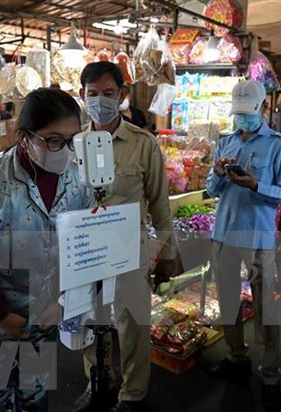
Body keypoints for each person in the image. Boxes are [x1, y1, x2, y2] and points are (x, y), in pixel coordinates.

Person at [0, 88, 94, 411]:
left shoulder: (78, 180)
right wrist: (2, 316)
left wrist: (62, 300)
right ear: (23, 136)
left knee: (35, 394)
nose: (65, 150)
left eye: (73, 140)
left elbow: (80, 244)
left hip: (44, 313)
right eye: (53, 140)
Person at [72, 61, 177, 412]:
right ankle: (99, 380)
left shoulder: (143, 143)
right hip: (84, 249)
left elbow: (160, 203)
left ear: (122, 96)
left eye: (108, 93)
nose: (99, 101)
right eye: (92, 94)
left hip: (127, 248)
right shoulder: (72, 145)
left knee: (132, 323)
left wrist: (167, 254)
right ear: (82, 96)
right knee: (89, 319)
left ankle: (133, 393)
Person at [205, 80, 281, 388]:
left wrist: (256, 185)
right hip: (224, 233)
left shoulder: (279, 144)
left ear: (262, 108)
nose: (242, 118)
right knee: (228, 302)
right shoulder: (225, 141)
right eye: (238, 112)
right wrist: (218, 174)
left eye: (248, 112)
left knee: (265, 306)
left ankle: (270, 371)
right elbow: (210, 189)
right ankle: (236, 356)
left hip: (259, 237)